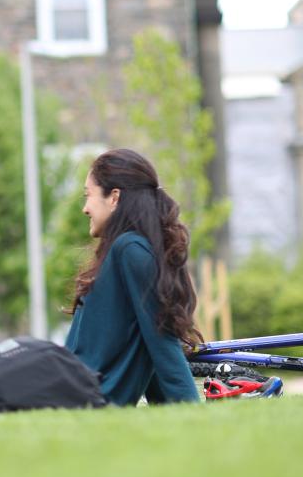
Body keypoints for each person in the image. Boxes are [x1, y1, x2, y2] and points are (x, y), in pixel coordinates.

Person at [63, 148, 201, 406]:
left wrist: (192, 412)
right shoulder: (122, 252)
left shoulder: (130, 250)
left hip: (80, 401)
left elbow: (160, 341)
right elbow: (145, 342)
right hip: (69, 393)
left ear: (114, 197)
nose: (84, 208)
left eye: (88, 196)